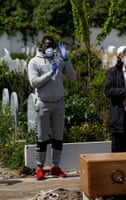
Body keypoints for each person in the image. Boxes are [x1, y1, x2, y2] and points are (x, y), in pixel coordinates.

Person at [28, 35, 77, 180]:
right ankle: (40, 168)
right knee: (42, 138)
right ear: (42, 46)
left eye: (52, 46)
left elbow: (72, 76)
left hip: (58, 103)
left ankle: (55, 166)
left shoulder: (58, 59)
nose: (49, 49)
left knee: (58, 137)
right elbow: (34, 82)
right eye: (47, 46)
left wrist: (66, 60)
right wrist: (50, 72)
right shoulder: (34, 62)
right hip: (43, 103)